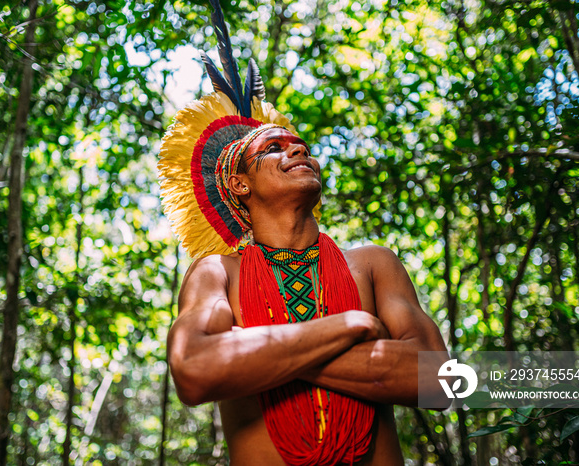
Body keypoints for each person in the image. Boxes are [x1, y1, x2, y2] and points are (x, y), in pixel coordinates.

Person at [157, 3, 449, 463]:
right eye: (274, 148)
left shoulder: (373, 264)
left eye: (302, 147)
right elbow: (194, 369)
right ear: (239, 184)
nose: (297, 148)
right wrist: (348, 327)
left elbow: (442, 381)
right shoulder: (217, 273)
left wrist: (262, 352)